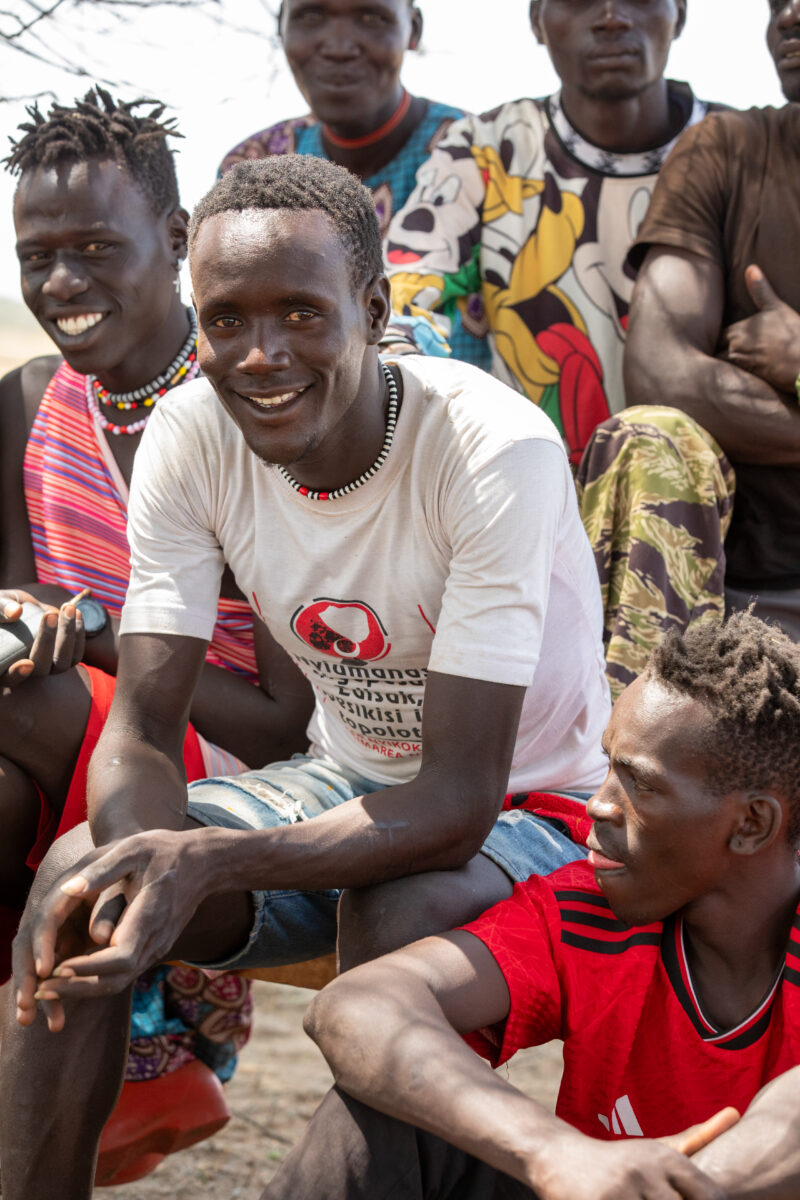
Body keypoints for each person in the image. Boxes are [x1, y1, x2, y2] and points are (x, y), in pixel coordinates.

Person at [0, 153, 611, 1200]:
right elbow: (144, 727)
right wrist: (145, 860)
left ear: (371, 307)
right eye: (226, 319)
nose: (258, 354)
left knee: (399, 912)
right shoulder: (192, 434)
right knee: (75, 883)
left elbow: (458, 805)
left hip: (534, 807)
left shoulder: (485, 449)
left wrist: (209, 866)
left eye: (299, 313)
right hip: (345, 781)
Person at [0, 90, 311, 1163]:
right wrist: (36, 626)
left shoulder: (256, 415)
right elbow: (19, 614)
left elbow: (282, 721)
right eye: (37, 256)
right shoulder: (30, 404)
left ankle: (120, 1070)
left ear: (177, 241)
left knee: (31, 694)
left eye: (94, 248)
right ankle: (122, 1076)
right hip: (59, 748)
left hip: (221, 760)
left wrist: (84, 633)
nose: (62, 284)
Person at [262, 610, 800, 1200]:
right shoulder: (591, 908)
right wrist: (554, 1153)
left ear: (752, 824)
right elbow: (356, 1007)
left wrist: (676, 1188)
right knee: (377, 1110)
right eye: (607, 767)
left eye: (639, 784)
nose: (597, 805)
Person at [382, 0, 735, 699]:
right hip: (543, 497)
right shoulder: (484, 150)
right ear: (538, 20)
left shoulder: (737, 147)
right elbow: (403, 293)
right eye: (577, 0)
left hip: (724, 489)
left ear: (681, 13)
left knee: (656, 438)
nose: (610, 17)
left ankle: (645, 737)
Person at [625, 0, 800, 641]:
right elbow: (658, 375)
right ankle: (643, 729)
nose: (790, 16)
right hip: (740, 592)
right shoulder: (725, 151)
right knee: (646, 435)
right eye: (777, 1)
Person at [219, 0, 490, 368]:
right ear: (282, 27)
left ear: (413, 28)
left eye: (371, 17)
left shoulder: (479, 160)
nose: (339, 46)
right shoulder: (252, 165)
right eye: (311, 15)